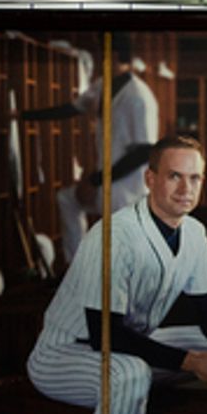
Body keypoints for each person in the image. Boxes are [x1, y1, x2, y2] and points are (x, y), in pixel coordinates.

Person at [27, 136, 207, 414]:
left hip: (132, 346)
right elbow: (104, 334)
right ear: (150, 178)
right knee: (130, 374)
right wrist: (193, 362)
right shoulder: (116, 234)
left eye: (194, 178)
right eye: (175, 176)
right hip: (66, 356)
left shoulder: (194, 232)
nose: (186, 189)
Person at [19, 35, 160, 264]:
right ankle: (79, 270)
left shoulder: (139, 97)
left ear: (112, 56)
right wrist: (25, 116)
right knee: (67, 199)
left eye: (100, 55)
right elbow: (71, 109)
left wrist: (96, 180)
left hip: (126, 187)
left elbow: (144, 152)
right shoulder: (103, 85)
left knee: (121, 251)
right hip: (105, 181)